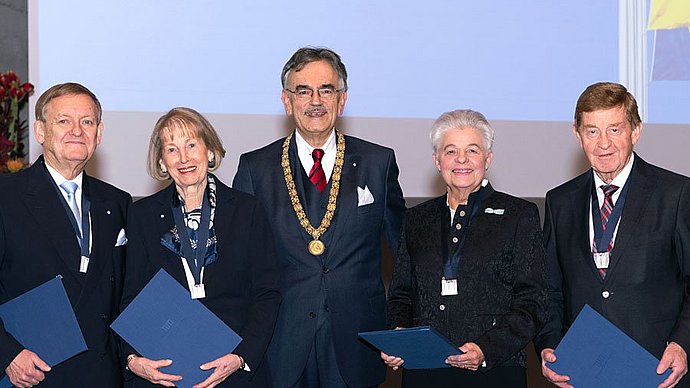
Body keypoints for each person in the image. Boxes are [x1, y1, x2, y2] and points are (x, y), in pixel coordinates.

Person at [232, 47, 405, 388]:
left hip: (358, 342)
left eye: (326, 90)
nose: (315, 101)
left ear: (342, 100)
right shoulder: (255, 169)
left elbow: (405, 255)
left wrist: (403, 323)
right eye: (303, 90)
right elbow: (240, 265)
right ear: (286, 100)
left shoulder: (377, 162)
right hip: (280, 342)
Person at [535, 82, 690, 388]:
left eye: (614, 130)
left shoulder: (677, 194)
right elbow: (550, 290)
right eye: (592, 131)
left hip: (658, 369)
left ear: (636, 131)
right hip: (583, 371)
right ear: (577, 135)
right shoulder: (559, 201)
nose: (603, 143)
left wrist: (682, 344)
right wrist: (549, 344)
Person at [383, 109, 547, 387]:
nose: (461, 159)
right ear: (437, 161)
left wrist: (485, 349)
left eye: (472, 150)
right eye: (450, 151)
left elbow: (533, 302)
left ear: (488, 159)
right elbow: (401, 294)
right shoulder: (416, 218)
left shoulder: (519, 214)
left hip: (494, 370)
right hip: (424, 371)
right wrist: (398, 332)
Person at [120, 107, 281, 387]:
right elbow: (130, 297)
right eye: (172, 149)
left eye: (191, 145)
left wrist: (242, 357)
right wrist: (132, 359)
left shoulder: (247, 210)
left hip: (233, 369)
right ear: (161, 162)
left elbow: (268, 293)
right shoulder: (142, 215)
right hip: (165, 372)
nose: (184, 158)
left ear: (209, 150)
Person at [0, 82, 132, 387]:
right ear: (41, 131)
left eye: (87, 122)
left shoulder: (117, 202)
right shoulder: (6, 196)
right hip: (32, 373)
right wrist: (7, 354)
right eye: (64, 121)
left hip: (102, 375)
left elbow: (128, 291)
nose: (77, 130)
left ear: (99, 134)